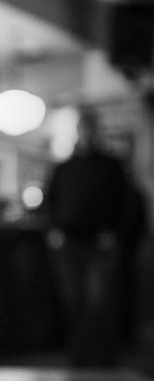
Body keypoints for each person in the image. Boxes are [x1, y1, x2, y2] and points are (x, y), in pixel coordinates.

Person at [45, 109, 131, 367]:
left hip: (100, 243)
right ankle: (79, 357)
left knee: (99, 302)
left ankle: (104, 358)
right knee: (74, 302)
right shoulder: (64, 167)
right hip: (69, 243)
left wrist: (114, 231)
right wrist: (54, 229)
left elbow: (125, 202)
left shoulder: (111, 166)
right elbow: (51, 201)